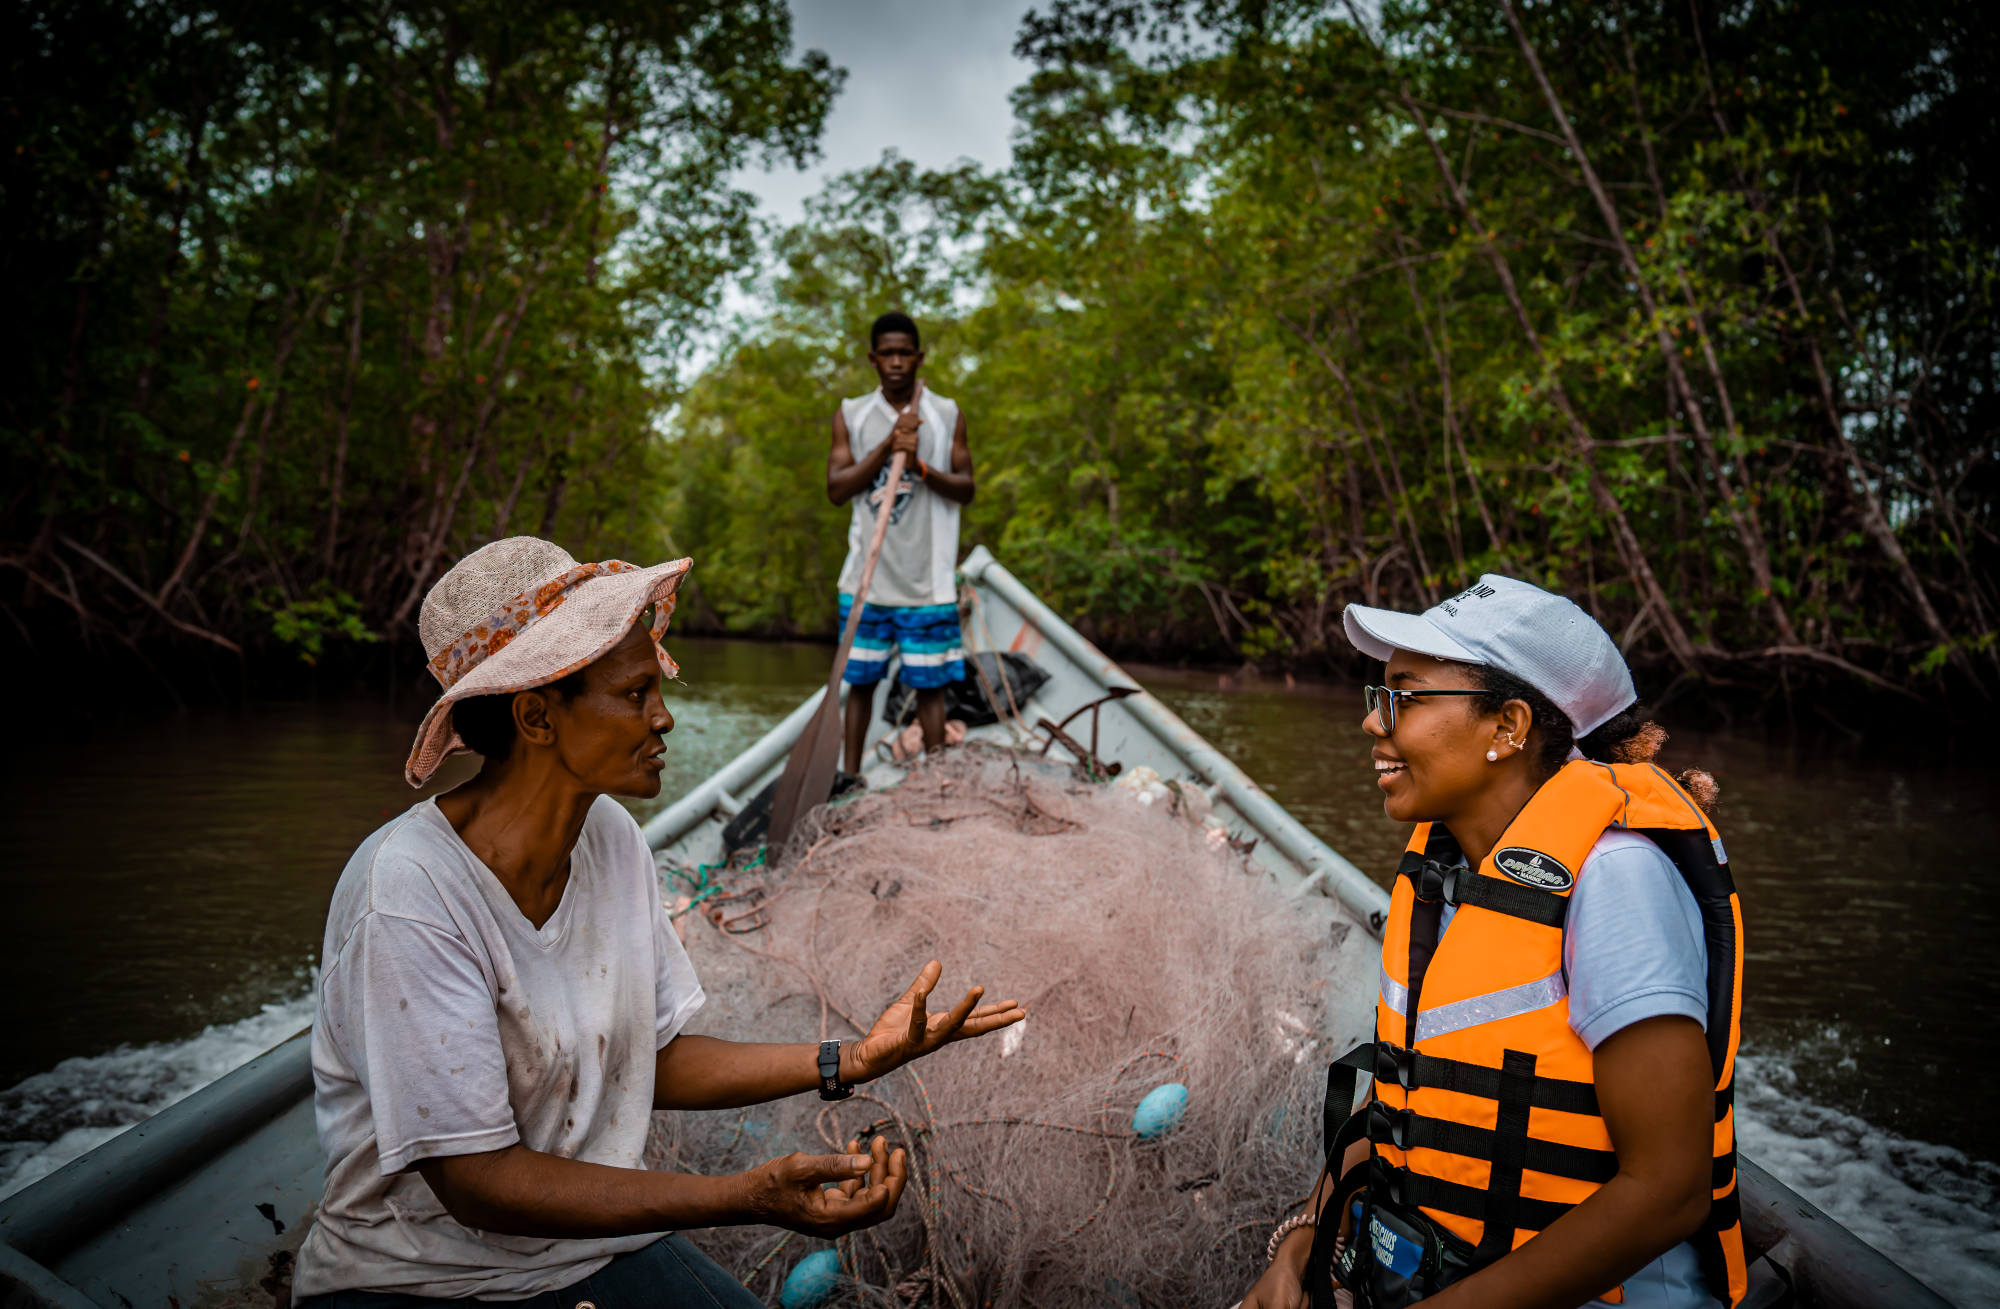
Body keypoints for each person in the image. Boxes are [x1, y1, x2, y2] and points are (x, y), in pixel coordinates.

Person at [291, 536, 1022, 1306]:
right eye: (636, 693)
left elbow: (654, 1056)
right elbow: (480, 1183)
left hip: (582, 1252)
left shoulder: (609, 837)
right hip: (415, 1278)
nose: (664, 716)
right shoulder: (410, 892)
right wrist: (740, 1195)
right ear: (537, 716)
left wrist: (851, 1060)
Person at [1241, 576, 1746, 1309]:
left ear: (1508, 727)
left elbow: (1668, 1190)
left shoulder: (1616, 882)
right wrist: (1301, 1242)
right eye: (1375, 697)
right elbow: (1402, 1094)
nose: (1372, 725)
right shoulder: (1454, 875)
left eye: (1403, 698)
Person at [826, 311, 975, 774]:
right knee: (862, 686)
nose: (895, 362)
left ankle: (935, 782)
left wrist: (920, 467)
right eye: (886, 353)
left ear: (918, 357)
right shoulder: (852, 413)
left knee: (930, 689)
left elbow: (967, 488)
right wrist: (888, 446)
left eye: (904, 353)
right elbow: (837, 489)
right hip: (866, 583)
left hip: (926, 585)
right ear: (873, 359)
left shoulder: (945, 413)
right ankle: (850, 778)